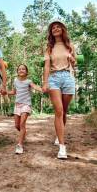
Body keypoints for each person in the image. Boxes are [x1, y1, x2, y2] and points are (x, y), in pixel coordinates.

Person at [42, 21, 76, 159]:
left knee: (64, 112)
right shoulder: (49, 47)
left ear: (62, 29)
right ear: (51, 32)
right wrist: (45, 83)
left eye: (58, 27)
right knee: (59, 111)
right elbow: (46, 67)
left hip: (68, 77)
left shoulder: (70, 45)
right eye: (53, 28)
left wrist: (72, 59)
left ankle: (58, 135)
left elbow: (74, 63)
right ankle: (62, 147)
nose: (55, 29)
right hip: (54, 78)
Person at [7, 64, 42, 154]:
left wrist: (42, 89)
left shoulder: (28, 81)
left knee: (22, 124)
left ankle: (20, 145)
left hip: (26, 105)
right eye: (19, 69)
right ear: (17, 72)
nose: (21, 70)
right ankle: (23, 134)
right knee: (17, 126)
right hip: (17, 105)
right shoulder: (15, 81)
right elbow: (14, 92)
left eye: (23, 69)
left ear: (26, 72)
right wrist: (5, 92)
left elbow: (35, 86)